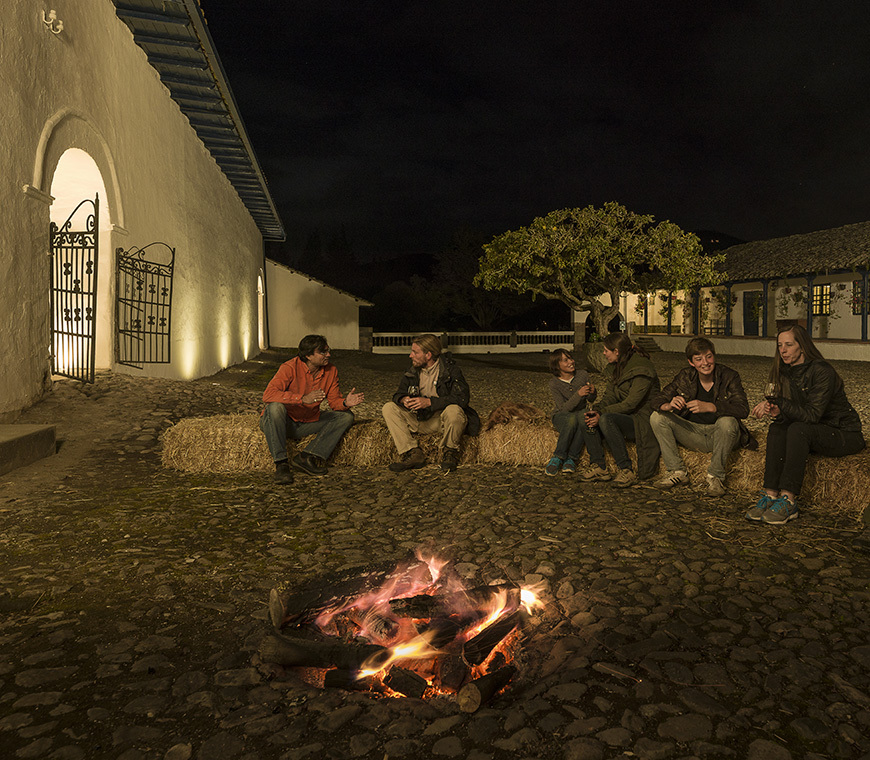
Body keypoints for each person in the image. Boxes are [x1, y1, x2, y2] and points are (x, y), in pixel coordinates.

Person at [746, 324, 864, 524]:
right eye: (780, 345)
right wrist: (778, 412)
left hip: (843, 433)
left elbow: (812, 415)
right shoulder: (785, 371)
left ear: (802, 346)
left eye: (789, 345)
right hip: (813, 430)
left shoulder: (822, 370)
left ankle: (789, 501)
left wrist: (781, 403)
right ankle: (771, 494)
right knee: (777, 427)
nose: (783, 350)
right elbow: (795, 414)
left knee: (798, 429)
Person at [649, 337, 755, 496]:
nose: (705, 363)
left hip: (721, 435)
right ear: (691, 362)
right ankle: (676, 471)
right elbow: (657, 399)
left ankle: (715, 477)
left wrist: (712, 407)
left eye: (709, 356)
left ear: (714, 356)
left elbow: (743, 409)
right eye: (698, 359)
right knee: (657, 417)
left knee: (727, 422)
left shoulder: (729, 376)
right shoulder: (685, 376)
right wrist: (668, 405)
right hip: (693, 433)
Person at [259, 335, 364, 484]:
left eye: (328, 351)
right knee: (275, 407)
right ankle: (281, 465)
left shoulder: (331, 370)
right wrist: (302, 398)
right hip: (281, 422)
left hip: (306, 422)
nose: (328, 355)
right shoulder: (289, 368)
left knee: (346, 417)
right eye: (323, 352)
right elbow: (268, 395)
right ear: (308, 356)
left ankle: (306, 457)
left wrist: (346, 402)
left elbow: (334, 402)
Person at [382, 334, 480, 473]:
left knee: (454, 410)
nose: (410, 355)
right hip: (418, 419)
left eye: (415, 352)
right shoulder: (412, 371)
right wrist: (404, 399)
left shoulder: (450, 371)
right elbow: (398, 394)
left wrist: (429, 402)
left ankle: (449, 452)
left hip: (441, 422)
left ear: (428, 355)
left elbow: (462, 398)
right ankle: (413, 453)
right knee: (389, 407)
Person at [581, 332, 660, 487]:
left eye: (606, 350)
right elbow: (609, 396)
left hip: (641, 419)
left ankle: (626, 469)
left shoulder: (642, 369)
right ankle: (599, 466)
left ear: (616, 351)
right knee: (587, 417)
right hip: (625, 415)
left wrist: (602, 413)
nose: (603, 353)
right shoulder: (617, 367)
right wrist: (596, 409)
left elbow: (631, 404)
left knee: (605, 419)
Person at [545, 349, 596, 475]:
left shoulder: (582, 375)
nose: (571, 362)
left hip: (580, 413)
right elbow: (563, 408)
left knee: (582, 420)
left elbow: (591, 399)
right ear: (557, 365)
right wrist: (578, 394)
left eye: (571, 358)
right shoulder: (554, 383)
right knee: (572, 419)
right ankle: (558, 456)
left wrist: (592, 391)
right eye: (565, 360)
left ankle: (571, 458)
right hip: (561, 415)